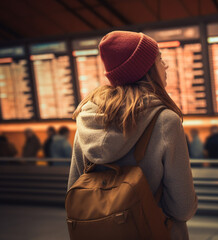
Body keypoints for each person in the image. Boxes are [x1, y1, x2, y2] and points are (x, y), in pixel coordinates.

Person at [68, 31, 197, 239]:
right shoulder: (165, 121)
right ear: (146, 70)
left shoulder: (87, 117)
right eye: (160, 59)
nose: (166, 66)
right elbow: (183, 208)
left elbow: (73, 189)